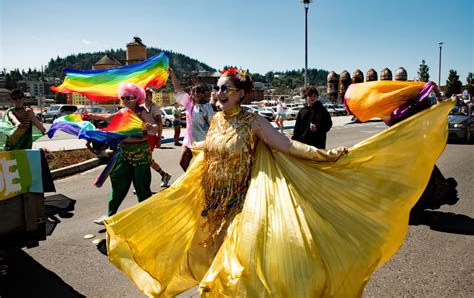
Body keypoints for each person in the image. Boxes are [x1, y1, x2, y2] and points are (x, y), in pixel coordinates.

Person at [104, 68, 452, 297]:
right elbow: (206, 153)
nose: (219, 93)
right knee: (209, 267)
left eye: (225, 89)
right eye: (217, 89)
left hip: (243, 207)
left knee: (228, 276)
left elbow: (286, 146)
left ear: (241, 93)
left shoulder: (254, 122)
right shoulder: (216, 122)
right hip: (212, 206)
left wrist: (327, 155)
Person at [85, 83, 154, 225]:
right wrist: (91, 114)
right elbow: (109, 117)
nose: (125, 101)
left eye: (128, 97)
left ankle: (147, 216)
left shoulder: (143, 112)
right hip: (123, 153)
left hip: (140, 154)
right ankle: (110, 215)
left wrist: (148, 127)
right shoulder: (123, 112)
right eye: (123, 98)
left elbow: (153, 130)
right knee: (118, 185)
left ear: (137, 98)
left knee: (142, 187)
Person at [169, 67, 215, 171]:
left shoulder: (207, 107)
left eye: (200, 92)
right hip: (188, 140)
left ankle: (201, 183)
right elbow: (178, 90)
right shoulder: (188, 103)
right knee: (183, 163)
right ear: (192, 93)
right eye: (195, 91)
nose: (198, 94)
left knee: (203, 167)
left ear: (203, 94)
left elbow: (212, 124)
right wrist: (172, 75)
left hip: (202, 141)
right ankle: (191, 181)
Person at [142, 88, 171, 187]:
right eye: (143, 95)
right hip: (143, 137)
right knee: (147, 160)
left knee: (146, 160)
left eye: (147, 95)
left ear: (151, 96)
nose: (145, 97)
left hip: (151, 136)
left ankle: (144, 185)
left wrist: (159, 138)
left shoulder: (154, 108)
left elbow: (159, 123)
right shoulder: (142, 107)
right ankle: (164, 175)